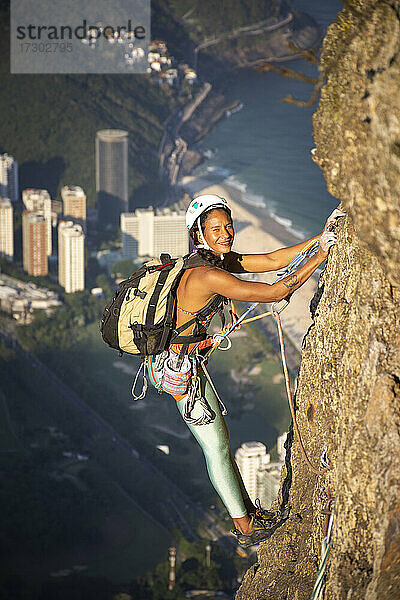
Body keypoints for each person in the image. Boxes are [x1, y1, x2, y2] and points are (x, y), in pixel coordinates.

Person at [154, 193, 345, 547]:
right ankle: (245, 529)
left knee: (221, 442)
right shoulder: (207, 274)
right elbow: (274, 291)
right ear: (199, 234)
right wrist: (320, 255)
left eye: (228, 226)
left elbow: (272, 259)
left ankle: (247, 513)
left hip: (187, 360)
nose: (226, 233)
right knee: (215, 446)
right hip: (180, 369)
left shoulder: (215, 262)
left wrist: (323, 235)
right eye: (216, 229)